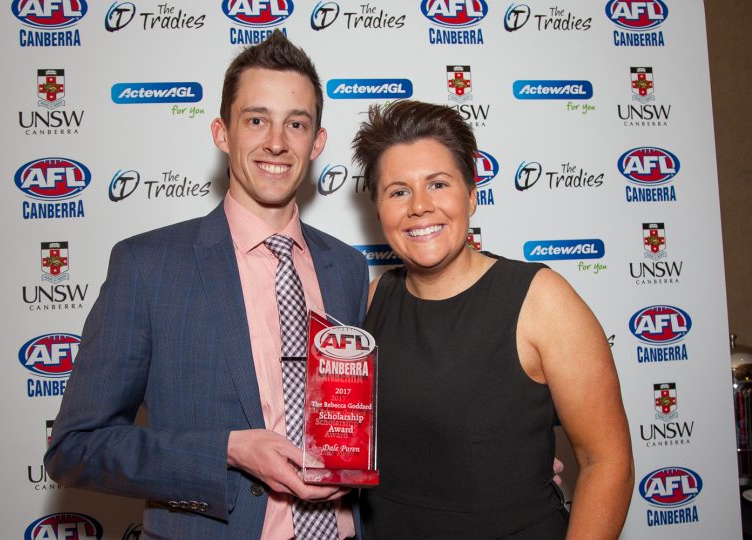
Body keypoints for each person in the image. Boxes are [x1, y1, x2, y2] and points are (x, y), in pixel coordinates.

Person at [44, 31, 369, 540]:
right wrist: (226, 451)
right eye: (256, 120)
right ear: (222, 133)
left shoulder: (347, 268)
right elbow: (76, 447)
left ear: (317, 143)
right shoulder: (148, 266)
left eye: (296, 124)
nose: (277, 141)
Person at [351, 100, 634, 539]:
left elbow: (606, 462)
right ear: (379, 210)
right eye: (398, 191)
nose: (420, 206)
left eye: (438, 184)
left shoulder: (540, 299)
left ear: (472, 195)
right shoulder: (369, 305)